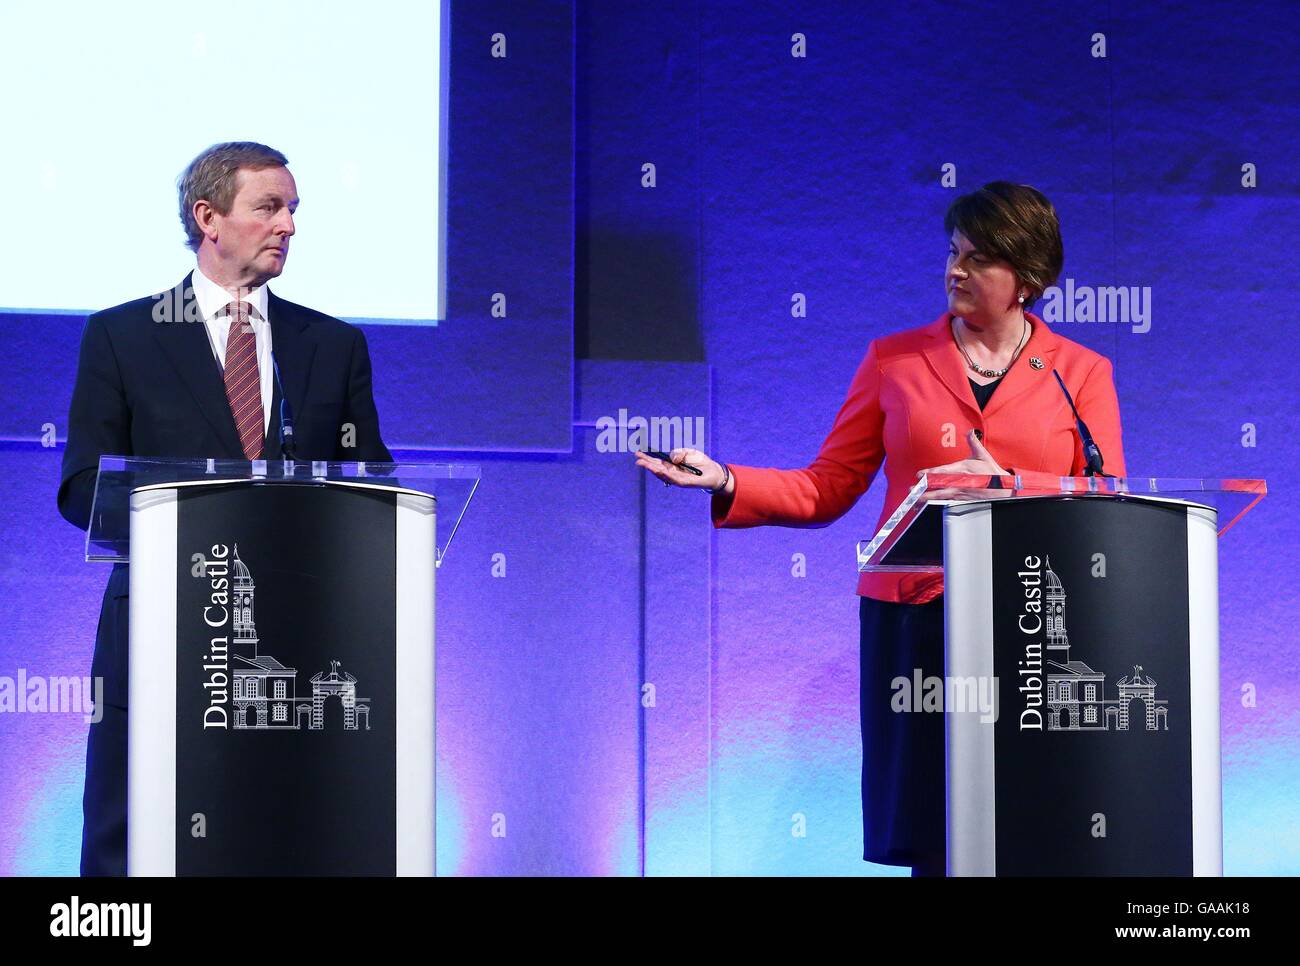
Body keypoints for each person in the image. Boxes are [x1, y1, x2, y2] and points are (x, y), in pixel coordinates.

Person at [635, 181, 1126, 876]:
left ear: (1028, 278)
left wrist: (1013, 489)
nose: (955, 270)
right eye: (954, 252)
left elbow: (1104, 498)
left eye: (978, 258)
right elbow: (827, 486)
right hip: (916, 619)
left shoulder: (1082, 374)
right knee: (934, 829)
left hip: (1035, 625)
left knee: (1033, 829)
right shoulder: (895, 361)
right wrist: (726, 479)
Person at [59, 141, 393, 875]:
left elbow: (371, 485)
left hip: (296, 647)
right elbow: (84, 485)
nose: (289, 226)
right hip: (158, 631)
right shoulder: (123, 335)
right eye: (269, 207)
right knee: (133, 842)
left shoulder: (330, 345)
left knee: (283, 837)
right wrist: (192, 521)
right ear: (207, 217)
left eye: (294, 209)